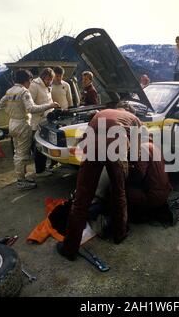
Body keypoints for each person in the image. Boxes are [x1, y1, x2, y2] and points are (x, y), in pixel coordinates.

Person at [57, 102, 142, 261]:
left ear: (118, 108)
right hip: (116, 147)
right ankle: (120, 234)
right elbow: (136, 155)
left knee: (82, 199)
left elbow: (83, 139)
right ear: (130, 111)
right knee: (119, 194)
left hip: (91, 147)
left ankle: (69, 248)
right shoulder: (134, 119)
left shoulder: (101, 113)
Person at [0, 69, 59, 190]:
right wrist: (50, 105)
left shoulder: (9, 91)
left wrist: (11, 112)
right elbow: (31, 108)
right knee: (22, 154)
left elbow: (1, 104)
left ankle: (22, 178)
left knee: (17, 152)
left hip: (12, 122)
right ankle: (21, 181)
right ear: (27, 80)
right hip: (22, 123)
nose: (30, 83)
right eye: (30, 80)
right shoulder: (23, 92)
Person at [127, 141, 172, 221]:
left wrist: (126, 176)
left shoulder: (142, 151)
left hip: (153, 197)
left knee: (119, 191)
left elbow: (138, 175)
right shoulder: (153, 146)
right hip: (165, 193)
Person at [29, 68, 57, 177]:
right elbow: (31, 106)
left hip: (46, 120)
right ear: (43, 76)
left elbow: (47, 100)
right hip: (38, 121)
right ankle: (40, 170)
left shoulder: (46, 86)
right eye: (48, 79)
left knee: (45, 145)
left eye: (51, 79)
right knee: (39, 146)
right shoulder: (34, 85)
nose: (50, 81)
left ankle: (43, 167)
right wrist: (49, 106)